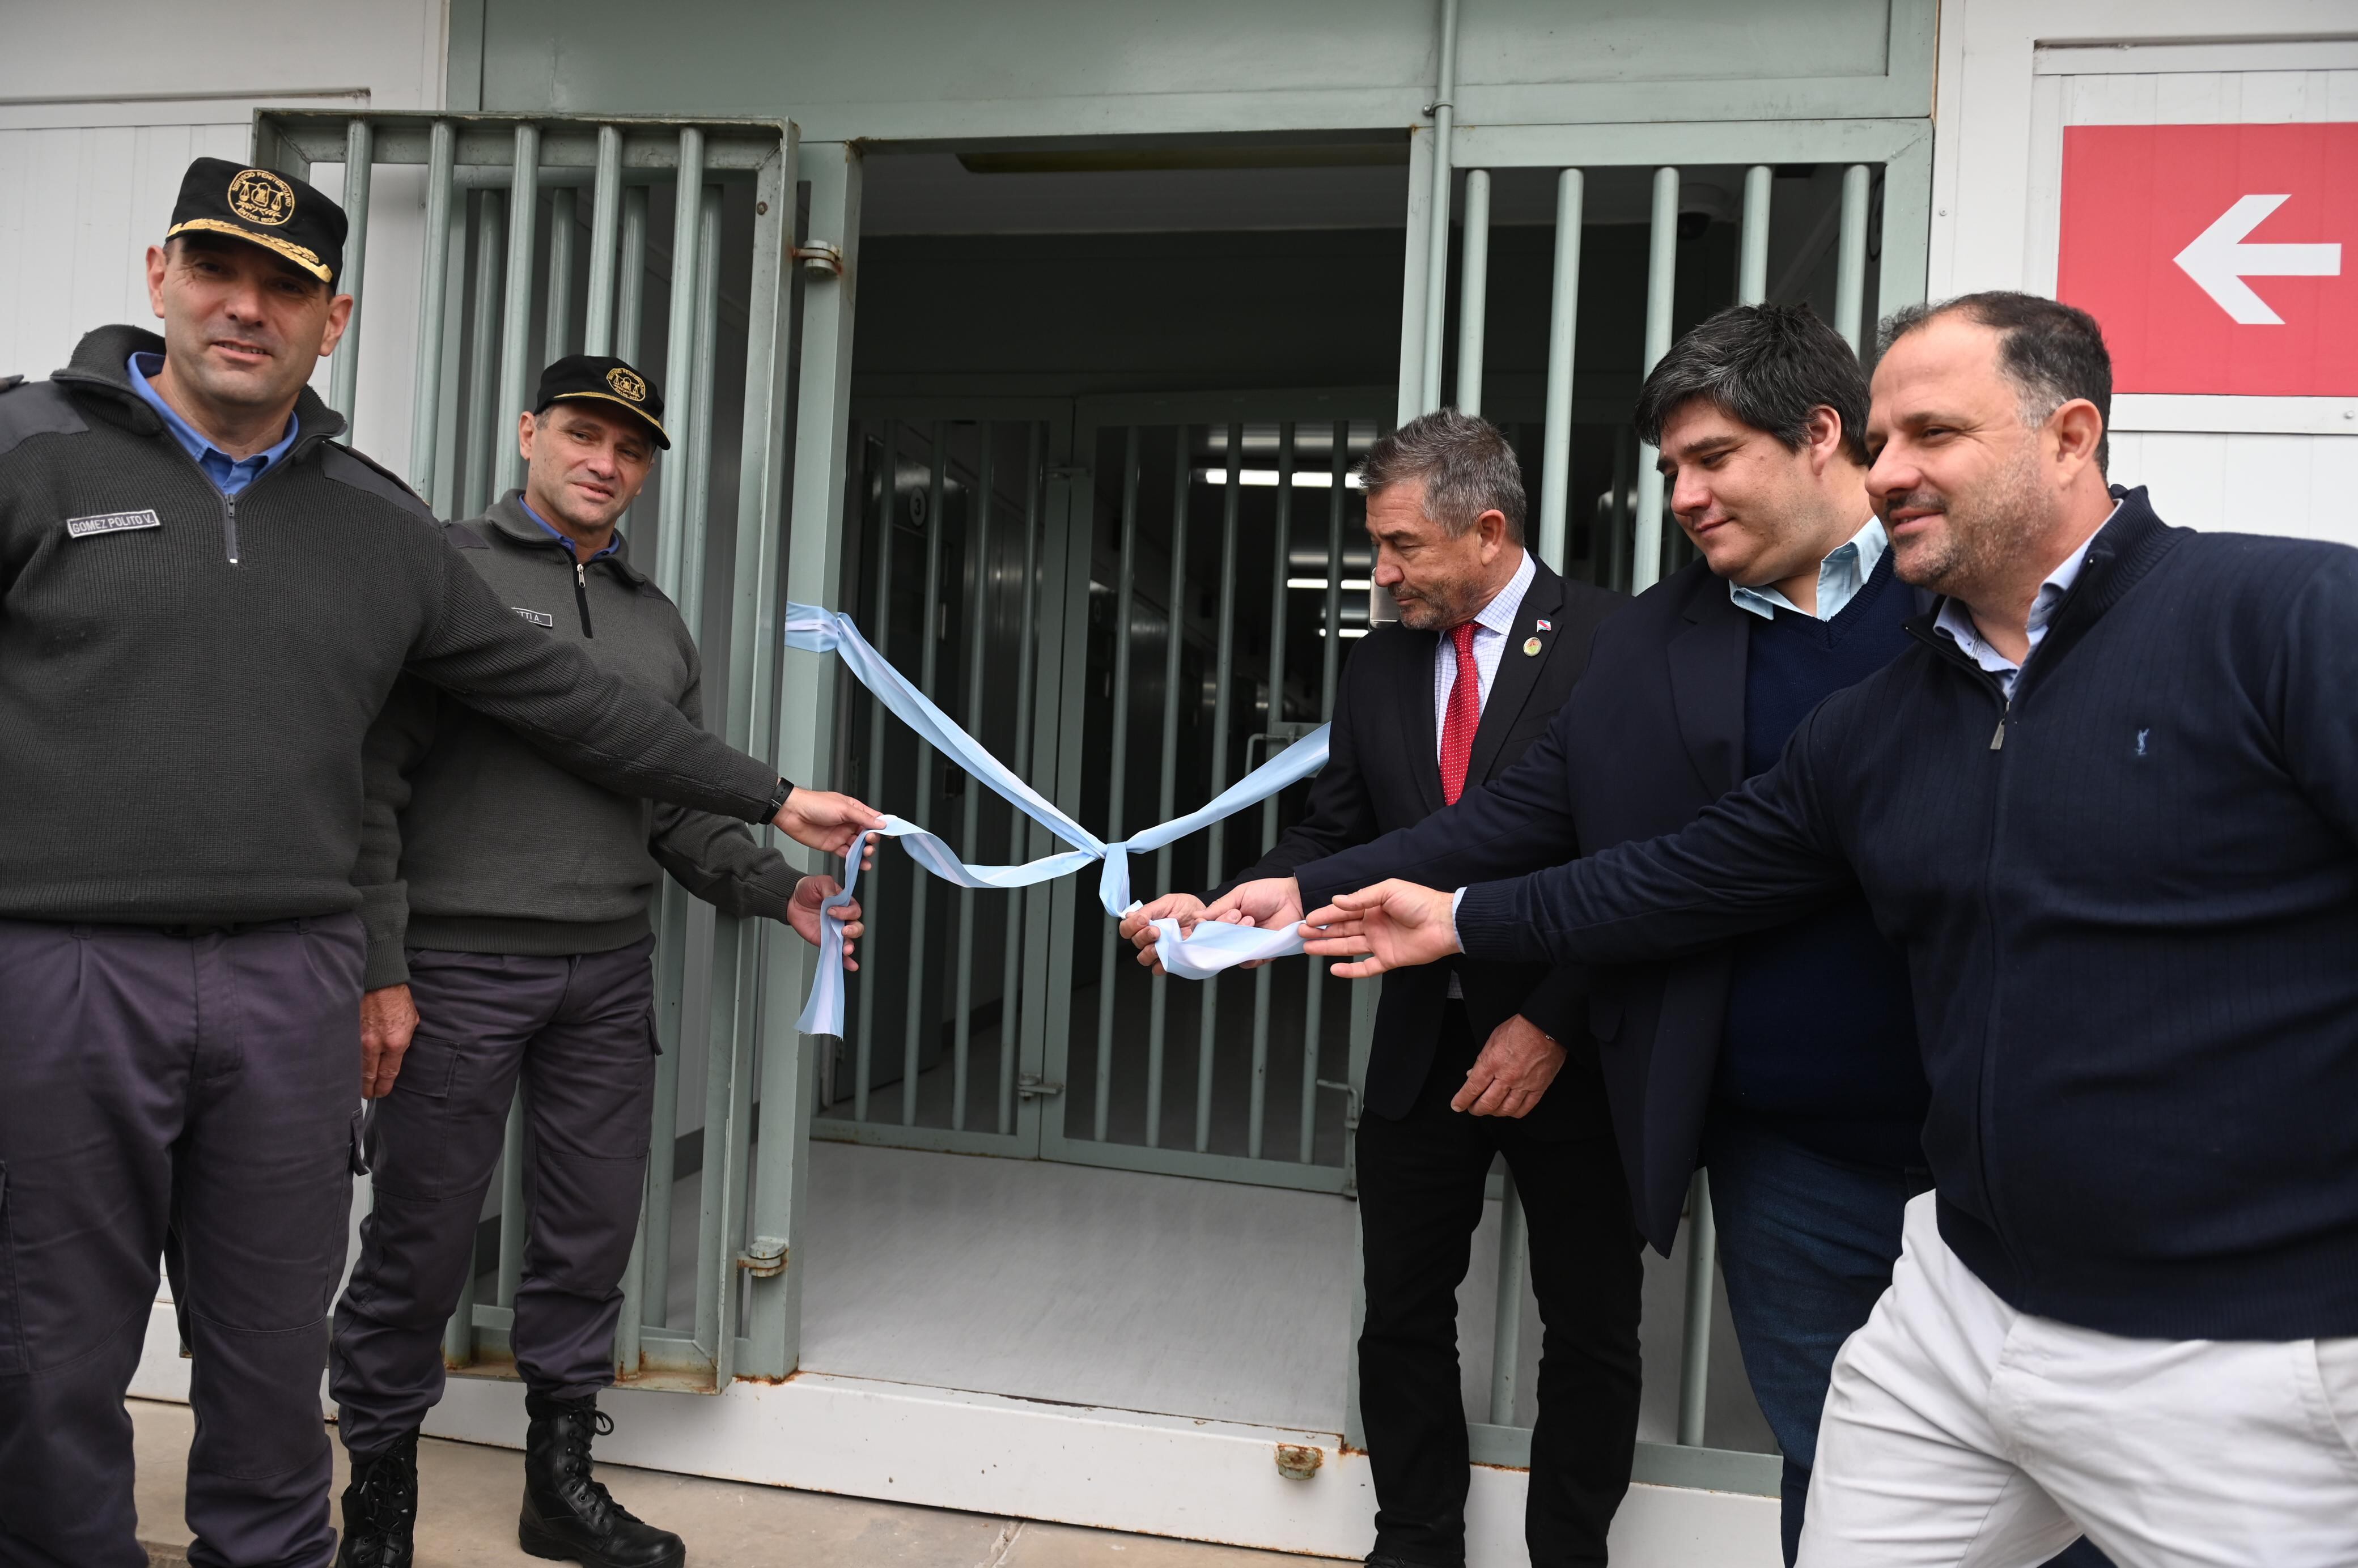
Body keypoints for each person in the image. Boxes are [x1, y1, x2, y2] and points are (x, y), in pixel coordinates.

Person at [1299, 293, 2358, 1567]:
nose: (1890, 465)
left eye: (1929, 433)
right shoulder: (1889, 712)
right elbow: (1686, 870)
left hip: (2235, 1328)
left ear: (2069, 435)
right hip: (1947, 1271)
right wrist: (1456, 914)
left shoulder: (2286, 619)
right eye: (1883, 433)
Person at [0, 158, 879, 1568]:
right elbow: (396, 780)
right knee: (50, 1345)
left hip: (292, 972)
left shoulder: (375, 521)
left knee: (273, 1345)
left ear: (332, 320)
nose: (247, 308)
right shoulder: (30, 450)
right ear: (159, 273)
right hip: (71, 967)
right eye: (218, 271)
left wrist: (774, 802)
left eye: (286, 288)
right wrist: (399, 964)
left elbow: (580, 711)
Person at [1215, 304, 2105, 1567]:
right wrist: (1297, 895)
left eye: (1711, 460)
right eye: (1668, 470)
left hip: (2007, 1133)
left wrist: (1498, 956)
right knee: (1842, 1465)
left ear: (1818, 437)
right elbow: (1525, 820)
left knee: (2065, 1480)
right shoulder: (1649, 641)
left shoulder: (1959, 597)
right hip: (1789, 1153)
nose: (1682, 497)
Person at [325, 355, 862, 1568]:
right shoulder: (444, 574)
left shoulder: (654, 620)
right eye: (580, 433)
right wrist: (382, 962)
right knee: (418, 1238)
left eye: (628, 449)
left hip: (607, 976)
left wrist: (781, 891)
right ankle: (380, 1492)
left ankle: (559, 1484)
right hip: (456, 969)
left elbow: (671, 806)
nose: (603, 462)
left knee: (588, 1235)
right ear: (529, 432)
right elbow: (371, 782)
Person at [1121, 410, 1634, 1568]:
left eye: (1401, 547)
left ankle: (1569, 1550)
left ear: (1488, 529)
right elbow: (1335, 830)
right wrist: (1235, 903)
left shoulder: (1614, 643)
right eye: (1375, 547)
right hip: (1418, 1041)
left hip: (1572, 1039)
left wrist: (1548, 1018)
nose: (1382, 572)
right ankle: (1415, 1538)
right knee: (1403, 1307)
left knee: (1591, 1324)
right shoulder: (1381, 659)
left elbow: (1633, 860)